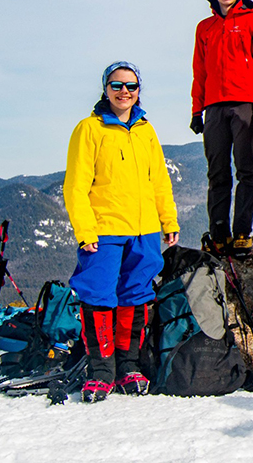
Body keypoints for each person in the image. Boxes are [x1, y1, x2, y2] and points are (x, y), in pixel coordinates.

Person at [64, 61, 180, 402]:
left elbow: (159, 180)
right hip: (104, 230)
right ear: (106, 89)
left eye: (130, 86)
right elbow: (75, 186)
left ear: (139, 90)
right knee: (98, 295)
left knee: (136, 296)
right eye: (116, 85)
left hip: (144, 231)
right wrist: (85, 230)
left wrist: (168, 220)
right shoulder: (89, 128)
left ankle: (129, 366)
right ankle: (101, 370)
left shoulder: (146, 130)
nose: (124, 92)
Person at [190, 0, 253, 258]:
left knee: (246, 169)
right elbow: (199, 71)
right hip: (214, 107)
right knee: (217, 172)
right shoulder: (205, 28)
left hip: (244, 105)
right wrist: (196, 110)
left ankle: (241, 233)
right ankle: (219, 234)